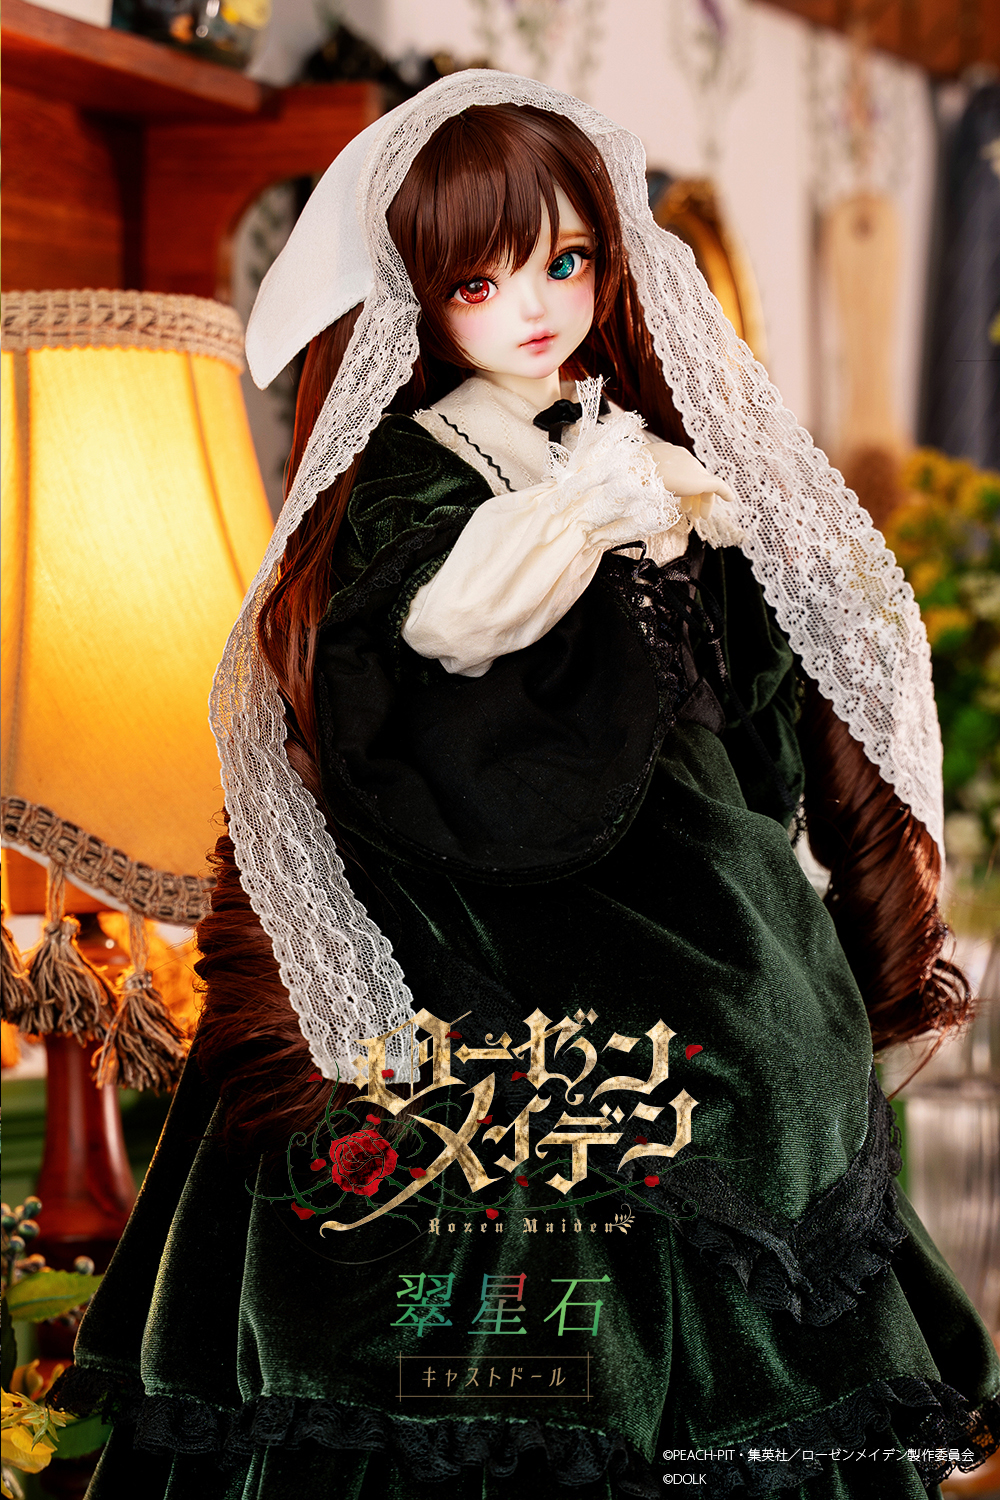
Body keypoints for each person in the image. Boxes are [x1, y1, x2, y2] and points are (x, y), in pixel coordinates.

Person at [64, 74, 999, 1500]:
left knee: (767, 1128)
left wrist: (695, 557)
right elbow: (431, 642)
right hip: (484, 914)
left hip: (714, 906)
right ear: (421, 299)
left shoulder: (648, 454)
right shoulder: (423, 480)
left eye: (565, 262)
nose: (533, 307)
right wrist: (568, 537)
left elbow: (746, 697)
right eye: (478, 281)